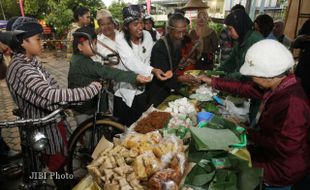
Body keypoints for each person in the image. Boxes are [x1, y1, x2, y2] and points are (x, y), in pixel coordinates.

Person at [199, 40, 310, 189]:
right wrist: (212, 81)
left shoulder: (292, 103)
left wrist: (246, 131)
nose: (251, 79)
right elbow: (242, 88)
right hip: (267, 155)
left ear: (268, 75)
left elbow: (285, 146)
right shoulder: (278, 86)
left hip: (281, 169)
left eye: (253, 75)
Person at [6, 17, 102, 188]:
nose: (41, 42)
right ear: (22, 42)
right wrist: (90, 90)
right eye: (37, 39)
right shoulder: (20, 68)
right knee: (56, 165)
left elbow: (53, 84)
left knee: (61, 161)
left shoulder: (32, 62)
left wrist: (69, 100)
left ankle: (66, 180)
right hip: (43, 127)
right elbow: (51, 94)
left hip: (53, 122)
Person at [68, 26, 151, 124]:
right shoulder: (82, 62)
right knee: (88, 134)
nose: (95, 47)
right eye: (91, 43)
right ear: (80, 46)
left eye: (95, 43)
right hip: (84, 107)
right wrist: (135, 77)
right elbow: (106, 72)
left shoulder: (79, 58)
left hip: (87, 104)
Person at [114, 5, 170, 126]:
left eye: (141, 22)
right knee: (123, 129)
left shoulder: (148, 36)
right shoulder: (120, 38)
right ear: (126, 26)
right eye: (135, 24)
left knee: (140, 125)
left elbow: (147, 60)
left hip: (141, 90)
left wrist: (150, 74)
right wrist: (152, 70)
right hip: (125, 90)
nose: (140, 27)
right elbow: (130, 61)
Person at [147, 13, 201, 107]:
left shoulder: (177, 42)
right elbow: (163, 74)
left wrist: (180, 64)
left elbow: (172, 66)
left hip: (170, 88)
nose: (181, 36)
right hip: (158, 91)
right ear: (169, 30)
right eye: (178, 32)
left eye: (184, 32)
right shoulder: (160, 47)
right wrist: (182, 78)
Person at [217, 9, 263, 80]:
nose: (229, 33)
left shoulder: (256, 40)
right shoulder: (240, 41)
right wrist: (213, 73)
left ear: (239, 26)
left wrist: (228, 77)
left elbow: (251, 71)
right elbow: (230, 62)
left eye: (230, 29)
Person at [292, 18, 310, 99]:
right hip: (303, 67)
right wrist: (299, 38)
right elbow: (294, 45)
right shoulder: (307, 23)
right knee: (297, 94)